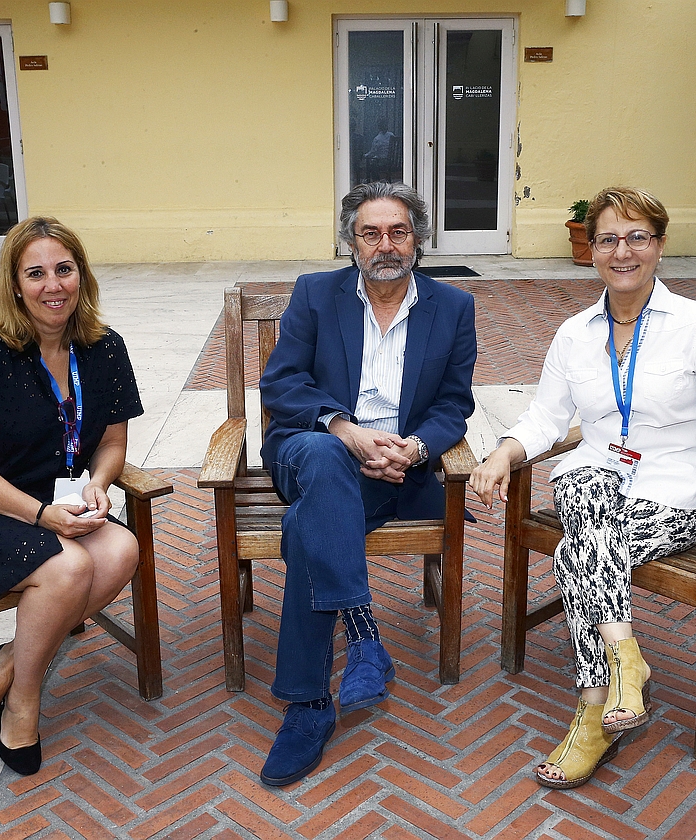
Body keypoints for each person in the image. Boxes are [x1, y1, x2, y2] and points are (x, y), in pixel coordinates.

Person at [470, 186, 696, 790]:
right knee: (585, 488)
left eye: (637, 238)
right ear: (592, 251)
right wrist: (504, 451)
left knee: (580, 550)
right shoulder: (574, 333)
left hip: (674, 496)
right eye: (608, 239)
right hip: (594, 479)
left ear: (658, 246)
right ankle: (623, 663)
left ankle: (595, 709)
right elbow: (546, 419)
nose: (622, 251)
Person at [257, 182, 477, 786]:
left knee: (308, 525)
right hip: (311, 445)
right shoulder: (316, 294)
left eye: (398, 232)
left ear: (418, 240)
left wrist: (416, 448)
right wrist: (344, 429)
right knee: (326, 460)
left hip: (394, 471)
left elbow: (454, 404)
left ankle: (307, 706)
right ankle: (362, 634)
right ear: (350, 242)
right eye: (370, 233)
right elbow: (281, 385)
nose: (386, 245)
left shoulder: (453, 306)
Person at [0, 217, 144, 776]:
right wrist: (43, 515)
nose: (52, 285)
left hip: (49, 503)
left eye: (64, 270)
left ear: (81, 277)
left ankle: (7, 663)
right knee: (66, 569)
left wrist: (98, 483)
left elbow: (112, 441)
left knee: (120, 550)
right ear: (15, 284)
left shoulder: (104, 349)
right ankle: (23, 702)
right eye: (35, 273)